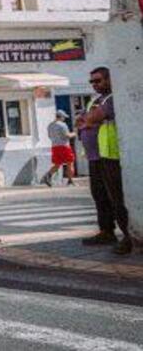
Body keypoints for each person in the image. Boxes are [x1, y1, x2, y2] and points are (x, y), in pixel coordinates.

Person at [77, 66, 132, 254]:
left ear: (109, 79)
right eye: (92, 81)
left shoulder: (111, 98)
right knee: (99, 195)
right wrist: (87, 120)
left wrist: (89, 120)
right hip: (95, 156)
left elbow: (92, 118)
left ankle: (128, 236)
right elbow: (84, 119)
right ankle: (106, 231)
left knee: (116, 197)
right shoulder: (96, 99)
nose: (94, 84)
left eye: (98, 80)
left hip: (109, 155)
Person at [41, 111, 76, 187]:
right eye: (64, 117)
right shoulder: (62, 125)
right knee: (70, 163)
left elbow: (49, 136)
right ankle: (70, 181)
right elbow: (67, 135)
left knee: (57, 164)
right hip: (64, 146)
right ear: (61, 117)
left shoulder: (50, 125)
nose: (64, 119)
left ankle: (48, 175)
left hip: (54, 146)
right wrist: (74, 134)